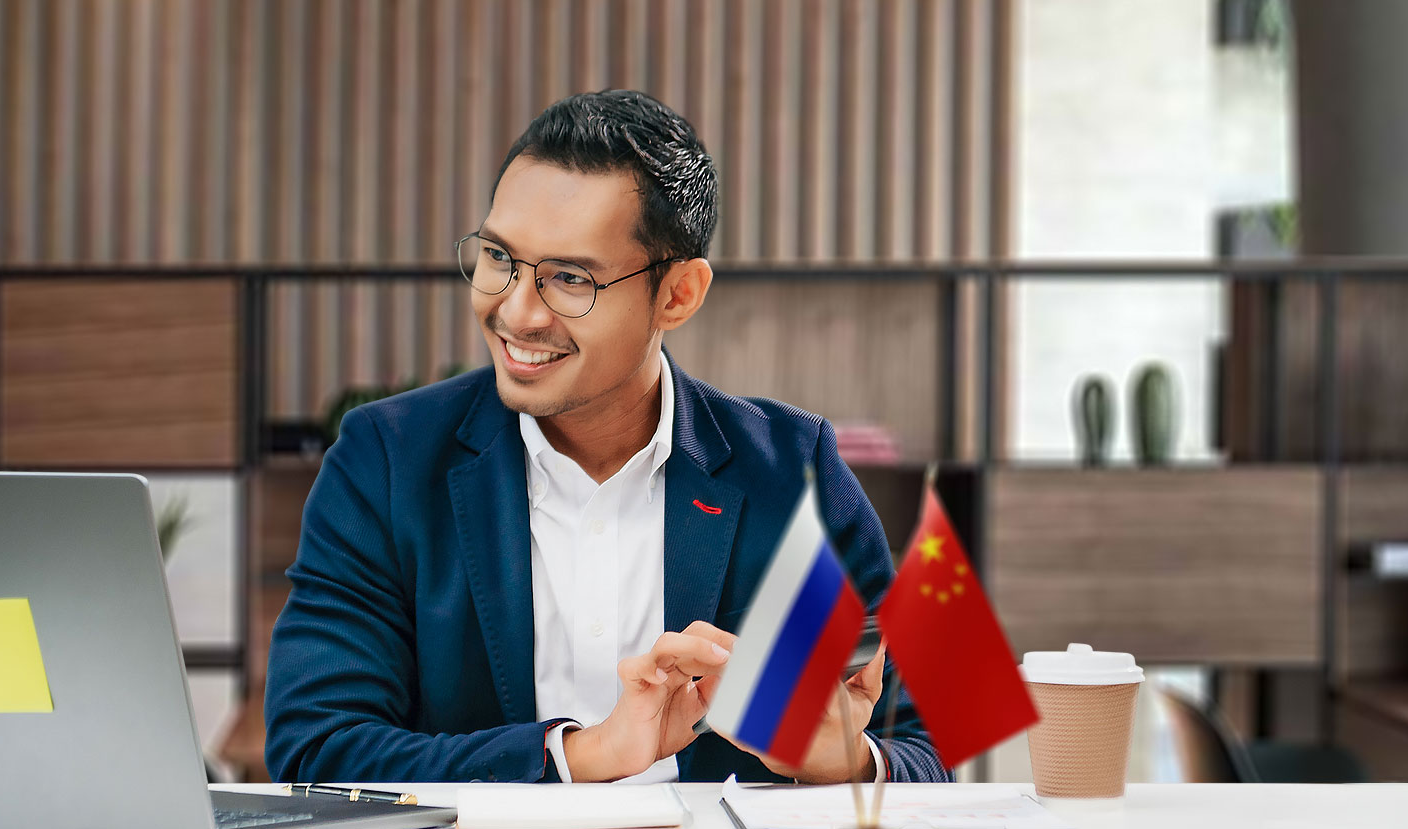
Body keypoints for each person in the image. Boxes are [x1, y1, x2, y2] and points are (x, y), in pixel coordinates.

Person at [264, 89, 948, 785]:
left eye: (569, 278)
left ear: (678, 294)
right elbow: (317, 746)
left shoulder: (795, 469)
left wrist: (849, 762)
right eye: (498, 257)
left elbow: (932, 744)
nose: (517, 313)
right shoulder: (385, 460)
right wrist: (583, 754)